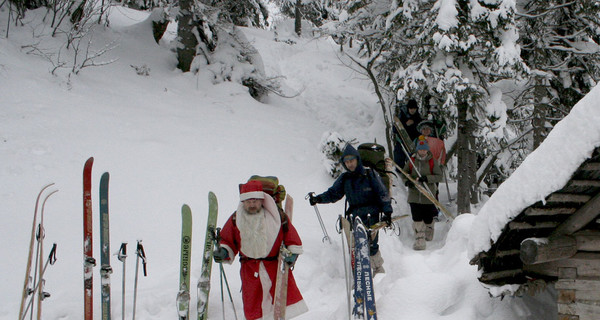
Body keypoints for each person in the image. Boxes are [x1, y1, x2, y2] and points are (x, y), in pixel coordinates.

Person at [214, 180, 308, 320]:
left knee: (281, 306)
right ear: (243, 202)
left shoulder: (277, 216)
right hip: (250, 272)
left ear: (261, 200)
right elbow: (227, 239)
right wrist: (224, 251)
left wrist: (293, 254)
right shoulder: (236, 218)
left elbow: (291, 236)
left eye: (255, 201)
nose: (252, 204)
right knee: (254, 308)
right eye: (248, 201)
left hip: (274, 269)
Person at [308, 144, 393, 274]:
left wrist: (387, 212)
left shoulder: (369, 174)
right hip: (354, 217)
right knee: (356, 247)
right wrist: (318, 199)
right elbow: (333, 194)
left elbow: (382, 194)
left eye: (351, 161)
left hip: (372, 215)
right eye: (346, 162)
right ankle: (360, 275)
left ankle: (377, 269)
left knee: (372, 245)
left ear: (357, 159)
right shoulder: (345, 178)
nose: (349, 164)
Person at [402, 137, 443, 250]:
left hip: (427, 194)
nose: (422, 152)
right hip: (414, 195)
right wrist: (408, 182)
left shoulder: (432, 161)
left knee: (428, 218)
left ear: (427, 150)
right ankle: (419, 240)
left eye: (424, 150)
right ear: (417, 150)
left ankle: (429, 230)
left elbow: (439, 176)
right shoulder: (411, 161)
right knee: (417, 218)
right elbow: (404, 173)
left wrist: (427, 178)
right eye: (420, 150)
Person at [393, 99, 423, 168]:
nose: (412, 110)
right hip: (401, 141)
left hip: (413, 143)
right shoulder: (402, 116)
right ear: (408, 108)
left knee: (412, 161)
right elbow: (395, 129)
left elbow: (420, 131)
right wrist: (405, 124)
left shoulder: (418, 118)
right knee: (399, 158)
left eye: (414, 108)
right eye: (411, 108)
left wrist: (414, 124)